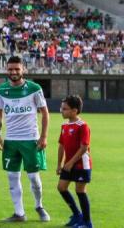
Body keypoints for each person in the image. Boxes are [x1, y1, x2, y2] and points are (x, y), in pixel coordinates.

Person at [0, 55, 51, 222]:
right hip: (10, 141)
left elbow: (45, 113)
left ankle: (39, 206)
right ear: (6, 70)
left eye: (17, 69)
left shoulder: (34, 88)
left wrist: (44, 136)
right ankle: (19, 213)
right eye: (10, 69)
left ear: (23, 70)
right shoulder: (1, 90)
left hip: (30, 139)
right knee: (12, 177)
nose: (13, 72)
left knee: (33, 177)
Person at [57, 95, 93, 228]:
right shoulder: (64, 126)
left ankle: (87, 222)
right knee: (61, 187)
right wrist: (59, 164)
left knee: (80, 191)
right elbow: (61, 145)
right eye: (62, 108)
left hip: (81, 164)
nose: (61, 111)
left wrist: (71, 163)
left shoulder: (82, 126)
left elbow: (84, 147)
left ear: (75, 110)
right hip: (68, 164)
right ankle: (77, 215)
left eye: (65, 109)